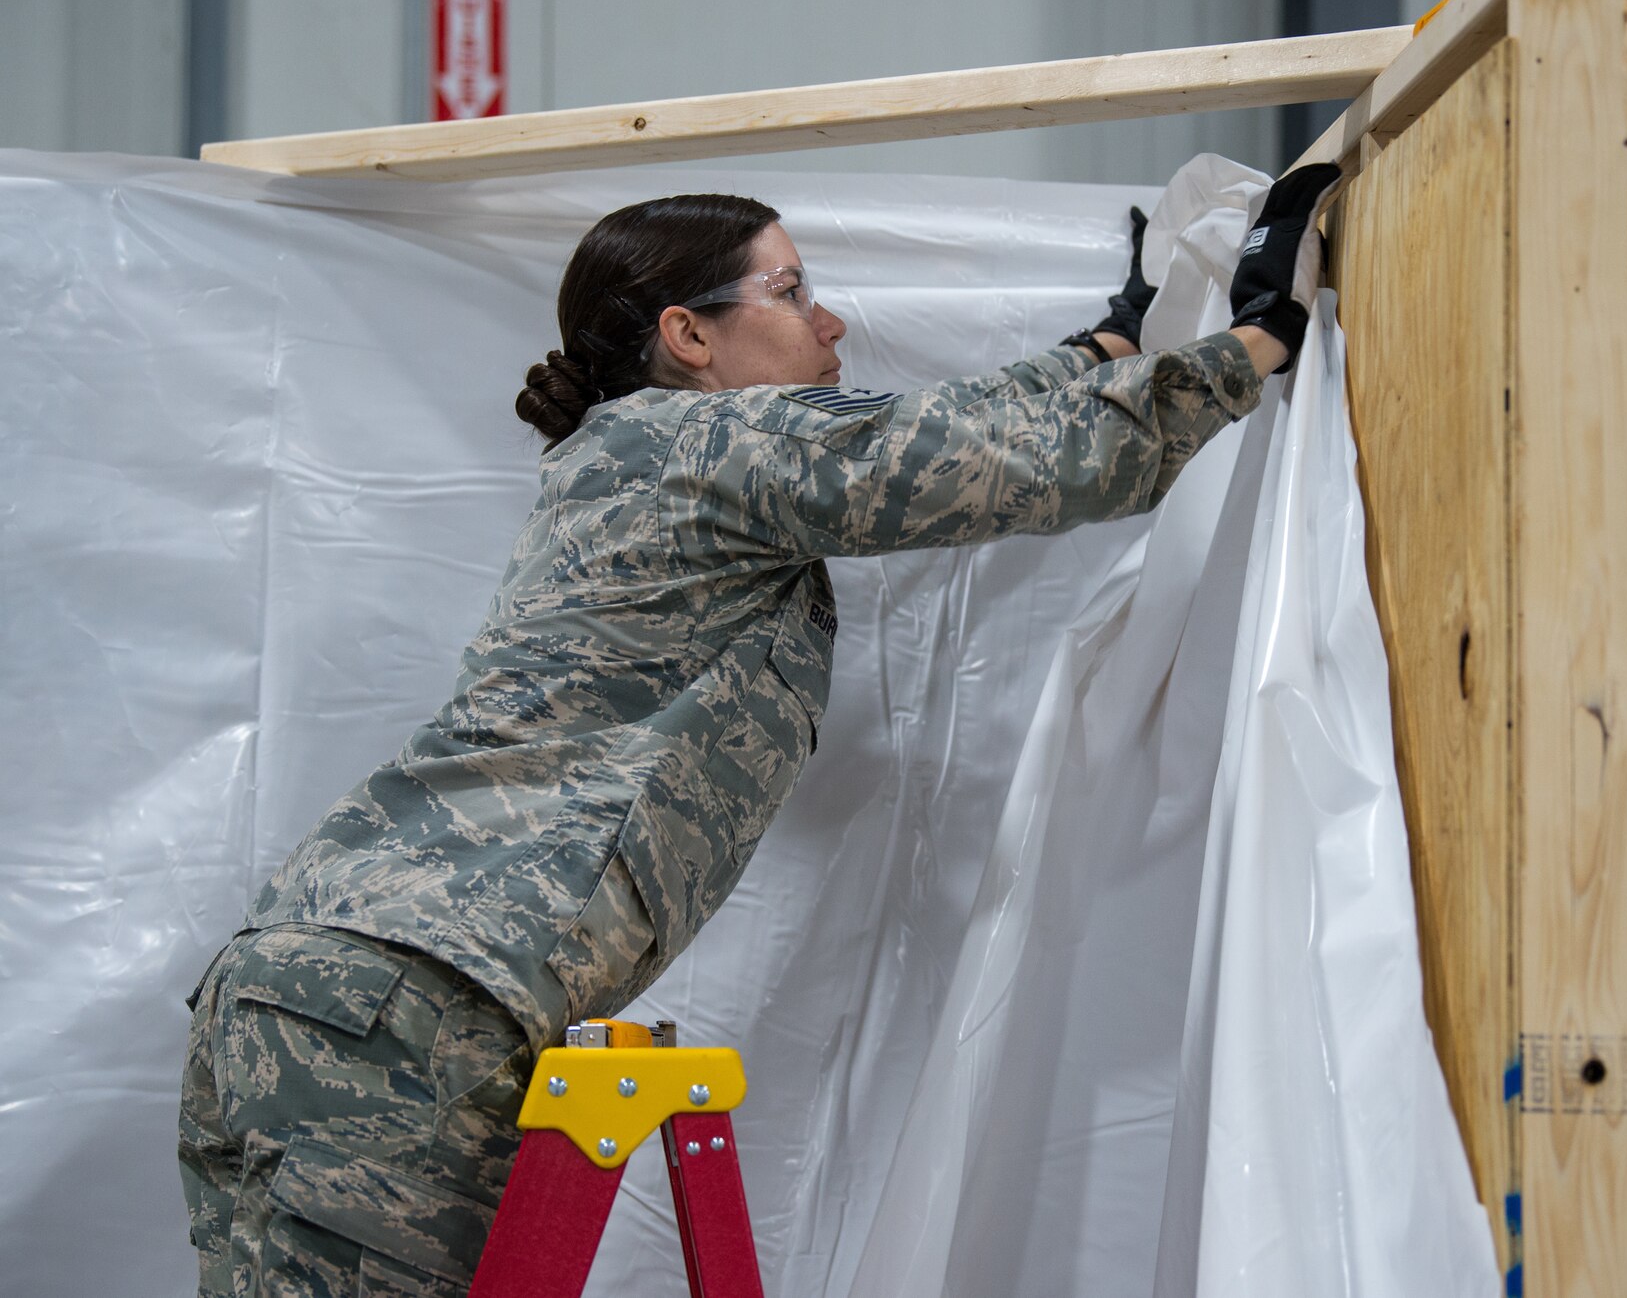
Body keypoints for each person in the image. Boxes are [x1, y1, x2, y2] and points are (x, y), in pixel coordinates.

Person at [177, 162, 1340, 1297]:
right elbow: (998, 462)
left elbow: (923, 430)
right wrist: (1255, 338)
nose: (825, 318)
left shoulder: (636, 454)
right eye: (788, 293)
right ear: (690, 336)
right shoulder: (710, 445)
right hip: (418, 1001)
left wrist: (1105, 345)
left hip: (319, 979)